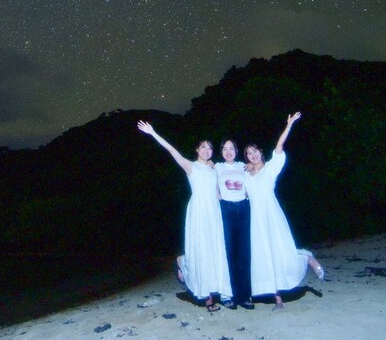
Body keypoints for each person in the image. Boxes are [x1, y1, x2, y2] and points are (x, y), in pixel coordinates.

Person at [137, 120, 231, 311]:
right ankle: (207, 297)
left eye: (210, 148)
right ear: (197, 149)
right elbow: (172, 150)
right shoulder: (190, 166)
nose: (207, 150)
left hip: (214, 211)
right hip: (198, 211)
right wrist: (153, 133)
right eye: (203, 147)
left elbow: (219, 194)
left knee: (215, 249)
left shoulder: (213, 168)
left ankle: (217, 287)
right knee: (201, 249)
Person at [244, 112, 325, 310]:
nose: (253, 155)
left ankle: (306, 258)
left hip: (272, 215)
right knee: (265, 256)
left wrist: (289, 125)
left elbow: (279, 147)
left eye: (255, 151)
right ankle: (277, 299)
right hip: (256, 219)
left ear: (261, 152)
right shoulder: (245, 174)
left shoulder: (271, 168)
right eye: (249, 153)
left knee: (281, 251)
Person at [216, 138, 254, 310]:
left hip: (243, 208)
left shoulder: (243, 166)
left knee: (244, 253)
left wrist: (251, 166)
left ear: (237, 151)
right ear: (221, 151)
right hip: (225, 209)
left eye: (231, 148)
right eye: (225, 149)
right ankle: (228, 294)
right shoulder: (217, 167)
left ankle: (245, 295)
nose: (228, 152)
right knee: (228, 253)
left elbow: (255, 173)